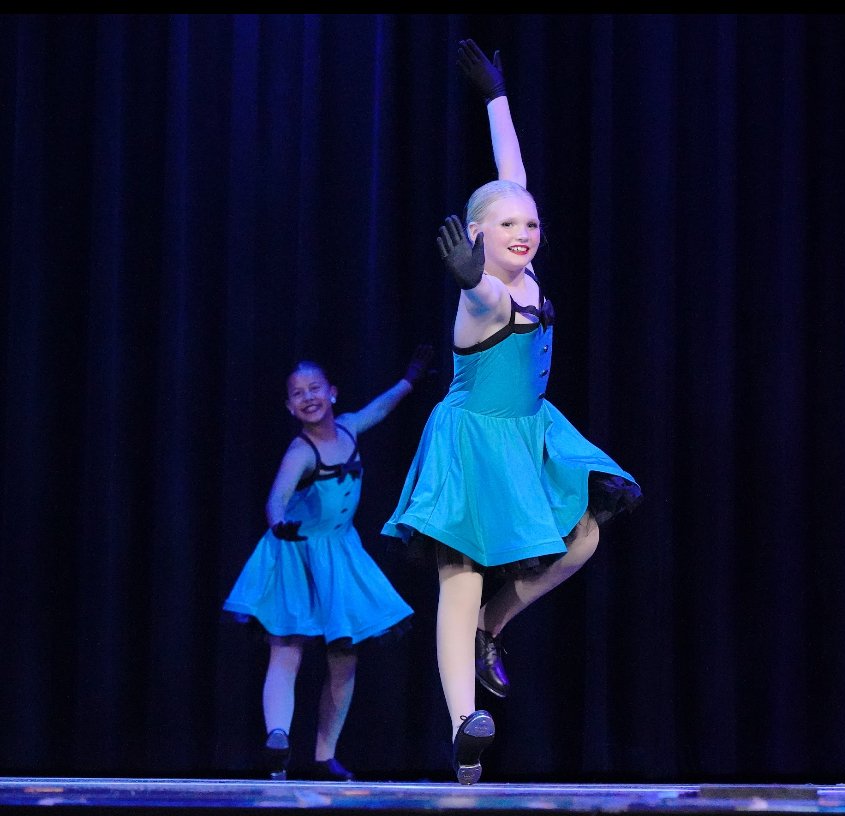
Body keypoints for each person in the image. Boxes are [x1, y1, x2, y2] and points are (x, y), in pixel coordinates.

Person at [382, 39, 642, 786]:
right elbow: (480, 295)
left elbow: (512, 177)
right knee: (459, 574)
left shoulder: (524, 269)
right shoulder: (489, 294)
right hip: (472, 440)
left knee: (584, 536)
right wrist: (469, 280)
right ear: (478, 239)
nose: (524, 232)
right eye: (506, 228)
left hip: (531, 432)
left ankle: (494, 630)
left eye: (529, 225)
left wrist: (496, 98)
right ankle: (465, 725)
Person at [223, 345, 433, 781]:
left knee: (344, 655)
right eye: (297, 394)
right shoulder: (300, 452)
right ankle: (278, 738)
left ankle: (324, 755)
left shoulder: (350, 429)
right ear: (289, 406)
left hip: (340, 555)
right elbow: (277, 496)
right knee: (287, 648)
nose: (307, 397)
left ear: (332, 393)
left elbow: (379, 408)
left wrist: (409, 381)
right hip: (295, 553)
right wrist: (278, 522)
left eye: (314, 388)